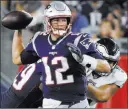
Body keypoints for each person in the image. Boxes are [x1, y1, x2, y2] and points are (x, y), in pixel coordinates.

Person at [12, 1, 111, 108]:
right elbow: (17, 59)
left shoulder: (79, 39)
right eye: (56, 20)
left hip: (77, 103)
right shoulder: (39, 40)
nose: (60, 24)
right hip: (51, 103)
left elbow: (106, 67)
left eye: (64, 20)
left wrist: (83, 59)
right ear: (47, 21)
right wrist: (18, 30)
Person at [86, 38, 127, 108]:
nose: (108, 65)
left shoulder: (118, 75)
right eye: (105, 60)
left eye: (111, 62)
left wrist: (78, 82)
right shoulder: (83, 62)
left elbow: (102, 96)